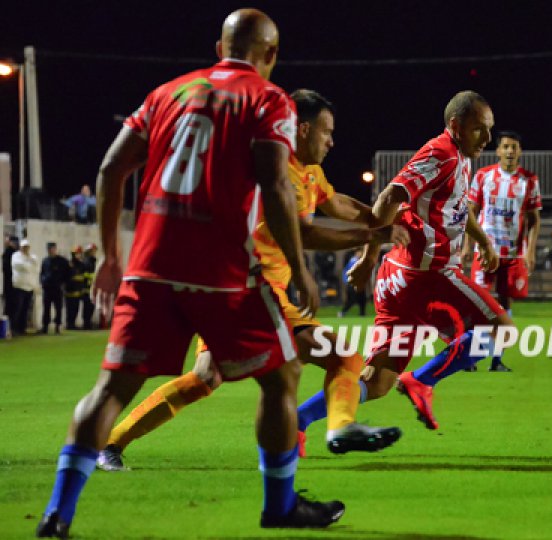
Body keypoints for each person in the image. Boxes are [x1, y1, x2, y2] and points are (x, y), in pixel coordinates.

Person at [36, 10, 344, 538]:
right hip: (221, 268)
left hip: (150, 263)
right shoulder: (269, 100)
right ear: (270, 56)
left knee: (111, 387)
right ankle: (281, 504)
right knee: (283, 375)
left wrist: (112, 257)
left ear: (219, 44)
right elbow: (273, 183)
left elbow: (112, 169)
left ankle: (57, 514)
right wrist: (299, 267)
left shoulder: (167, 93)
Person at [97, 88, 403, 469]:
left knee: (204, 379)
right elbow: (302, 232)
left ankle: (110, 443)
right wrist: (373, 236)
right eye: (326, 132)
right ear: (303, 129)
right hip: (248, 290)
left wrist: (385, 219)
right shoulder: (275, 171)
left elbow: (339, 204)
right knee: (343, 357)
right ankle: (339, 427)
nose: (332, 141)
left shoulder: (309, 173)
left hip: (246, 291)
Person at [298, 90, 513, 436]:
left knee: (379, 380)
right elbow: (391, 196)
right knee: (500, 329)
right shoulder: (441, 152)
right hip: (426, 275)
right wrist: (369, 248)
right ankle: (421, 382)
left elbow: (456, 206)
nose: (487, 139)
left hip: (397, 277)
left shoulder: (460, 156)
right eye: (479, 129)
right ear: (456, 126)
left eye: (489, 130)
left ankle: (297, 421)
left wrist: (483, 240)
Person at [461, 130, 541, 372]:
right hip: (486, 252)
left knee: (505, 305)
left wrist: (530, 251)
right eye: (505, 146)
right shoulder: (483, 176)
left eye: (514, 147)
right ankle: (470, 359)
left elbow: (534, 219)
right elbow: (470, 212)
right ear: (497, 151)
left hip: (514, 254)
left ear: (520, 151)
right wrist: (467, 245)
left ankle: (496, 361)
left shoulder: (529, 180)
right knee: (478, 304)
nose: (509, 151)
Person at [39, 242, 71, 334]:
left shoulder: (62, 261)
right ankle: (45, 326)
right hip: (47, 288)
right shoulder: (45, 261)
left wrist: (64, 284)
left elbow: (68, 273)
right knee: (46, 308)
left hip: (57, 288)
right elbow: (42, 273)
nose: (51, 251)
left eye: (52, 249)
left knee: (58, 308)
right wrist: (42, 282)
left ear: (55, 249)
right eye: (49, 249)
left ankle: (57, 326)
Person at [11, 239, 40, 335]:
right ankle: (14, 328)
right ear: (21, 247)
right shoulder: (16, 256)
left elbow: (35, 268)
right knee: (17, 309)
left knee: (26, 309)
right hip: (19, 286)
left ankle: (22, 328)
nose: (25, 249)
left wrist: (28, 265)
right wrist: (28, 265)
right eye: (24, 247)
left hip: (29, 287)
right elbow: (20, 266)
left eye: (27, 247)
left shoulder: (32, 257)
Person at [63, 247, 86, 330]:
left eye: (79, 253)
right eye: (76, 253)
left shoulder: (81, 265)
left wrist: (82, 288)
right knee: (69, 309)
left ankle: (73, 324)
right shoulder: (69, 265)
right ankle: (69, 324)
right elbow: (66, 277)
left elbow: (83, 277)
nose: (78, 255)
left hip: (78, 291)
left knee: (76, 309)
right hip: (69, 291)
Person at [338, 250, 366, 317]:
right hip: (353, 284)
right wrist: (347, 281)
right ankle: (342, 312)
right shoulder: (353, 261)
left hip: (359, 283)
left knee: (362, 299)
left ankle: (362, 313)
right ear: (356, 253)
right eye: (360, 252)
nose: (361, 254)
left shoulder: (358, 261)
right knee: (352, 299)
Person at [80, 243, 98, 329]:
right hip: (87, 288)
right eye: (92, 250)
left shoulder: (94, 261)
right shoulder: (86, 261)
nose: (93, 252)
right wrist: (94, 276)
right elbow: (85, 274)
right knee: (87, 306)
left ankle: (88, 322)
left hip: (93, 287)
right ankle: (86, 323)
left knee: (91, 306)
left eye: (94, 250)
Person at [2, 235, 19, 320]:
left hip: (10, 283)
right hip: (11, 283)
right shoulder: (12, 252)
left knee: (10, 306)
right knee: (11, 306)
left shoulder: (10, 252)